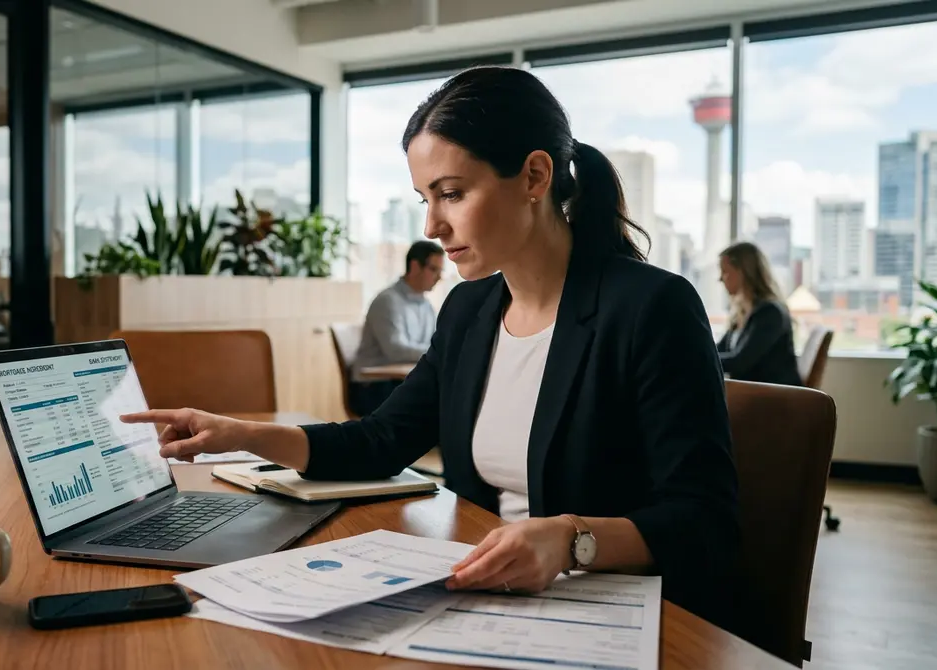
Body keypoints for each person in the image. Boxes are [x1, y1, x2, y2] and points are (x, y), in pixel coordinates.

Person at [121, 66, 739, 630]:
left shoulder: (652, 307)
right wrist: (241, 434)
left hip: (610, 609)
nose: (431, 227)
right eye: (425, 199)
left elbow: (704, 517)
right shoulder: (470, 311)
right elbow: (381, 441)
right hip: (487, 597)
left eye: (451, 194)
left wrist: (571, 538)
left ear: (534, 176)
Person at [349, 240, 444, 415]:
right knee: (438, 408)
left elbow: (434, 343)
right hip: (372, 388)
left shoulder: (426, 306)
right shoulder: (388, 301)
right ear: (415, 267)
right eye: (433, 269)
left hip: (401, 382)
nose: (439, 277)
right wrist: (440, 353)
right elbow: (396, 351)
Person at [717, 241, 801, 385]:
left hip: (771, 397)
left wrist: (695, 360)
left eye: (725, 272)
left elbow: (739, 362)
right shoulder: (741, 313)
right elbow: (718, 350)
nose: (720, 279)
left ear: (743, 272)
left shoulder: (770, 313)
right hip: (754, 392)